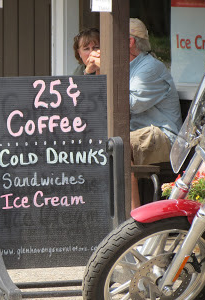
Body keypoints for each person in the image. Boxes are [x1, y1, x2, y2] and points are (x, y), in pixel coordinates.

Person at [77, 19, 182, 209]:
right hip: (134, 131)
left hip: (163, 135)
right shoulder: (125, 67)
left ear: (129, 42)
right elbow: (89, 106)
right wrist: (91, 73)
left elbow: (128, 105)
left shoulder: (149, 67)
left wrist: (104, 70)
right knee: (93, 145)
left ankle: (131, 221)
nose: (105, 48)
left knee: (119, 146)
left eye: (110, 41)